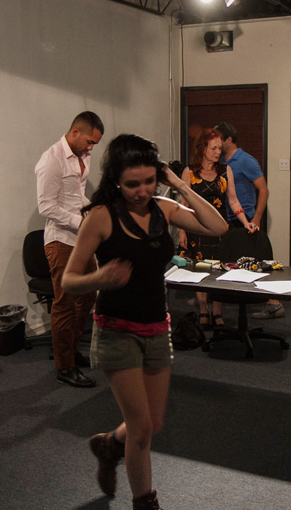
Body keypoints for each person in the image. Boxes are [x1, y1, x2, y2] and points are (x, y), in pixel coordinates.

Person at [61, 134, 228, 510]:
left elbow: (217, 227)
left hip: (156, 328)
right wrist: (99, 278)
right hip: (116, 331)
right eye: (132, 184)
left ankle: (108, 445)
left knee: (153, 424)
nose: (142, 191)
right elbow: (68, 281)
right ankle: (145, 502)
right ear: (116, 181)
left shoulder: (163, 208)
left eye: (150, 181)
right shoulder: (101, 216)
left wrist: (180, 185)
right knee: (140, 430)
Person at [35, 111, 104, 388]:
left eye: (94, 144)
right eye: (89, 141)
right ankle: (64, 366)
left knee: (87, 296)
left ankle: (71, 351)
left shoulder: (82, 155)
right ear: (76, 131)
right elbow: (46, 206)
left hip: (80, 239)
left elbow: (76, 196)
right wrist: (80, 222)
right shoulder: (51, 159)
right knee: (64, 303)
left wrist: (92, 210)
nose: (91, 148)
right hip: (60, 240)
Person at [177, 128, 255, 329]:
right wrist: (181, 231)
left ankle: (217, 311)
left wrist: (245, 222)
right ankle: (203, 309)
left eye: (220, 148)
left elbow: (233, 201)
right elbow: (183, 204)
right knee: (199, 270)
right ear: (202, 148)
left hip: (219, 229)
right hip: (197, 228)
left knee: (219, 270)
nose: (218, 152)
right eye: (213, 148)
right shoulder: (189, 172)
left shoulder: (225, 171)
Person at [213, 121, 284, 319]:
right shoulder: (221, 162)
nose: (216, 144)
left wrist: (257, 217)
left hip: (246, 218)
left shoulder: (246, 160)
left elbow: (263, 190)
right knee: (228, 261)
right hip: (227, 218)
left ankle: (274, 304)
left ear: (228, 139)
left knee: (256, 262)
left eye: (219, 139)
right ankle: (211, 296)